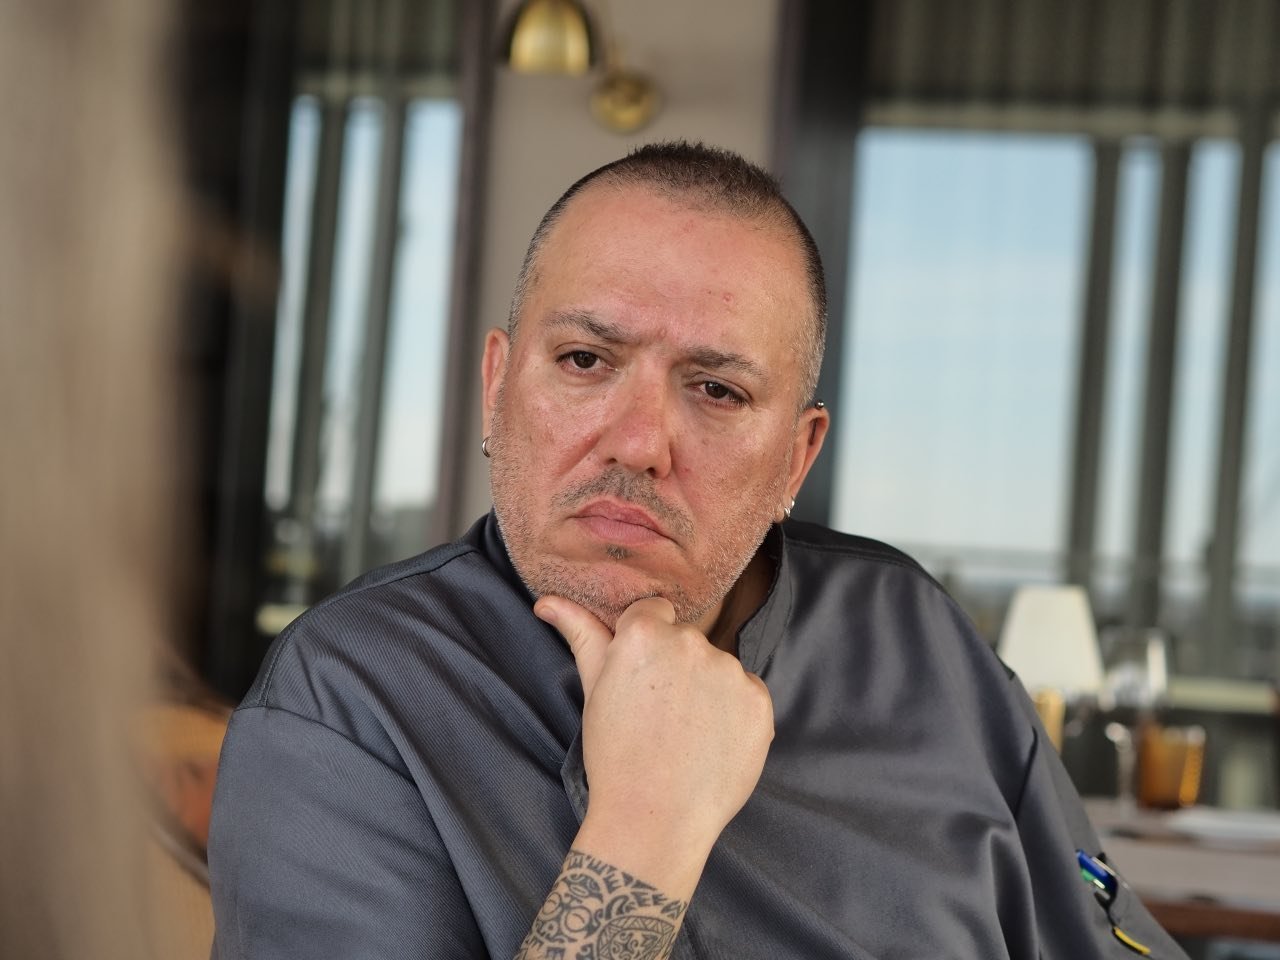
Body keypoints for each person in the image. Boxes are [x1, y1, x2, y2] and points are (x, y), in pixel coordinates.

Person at [209, 142, 1188, 959]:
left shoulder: (912, 641)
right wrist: (642, 837)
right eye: (585, 360)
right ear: (497, 386)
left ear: (797, 455)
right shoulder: (350, 701)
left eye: (716, 391)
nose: (638, 442)